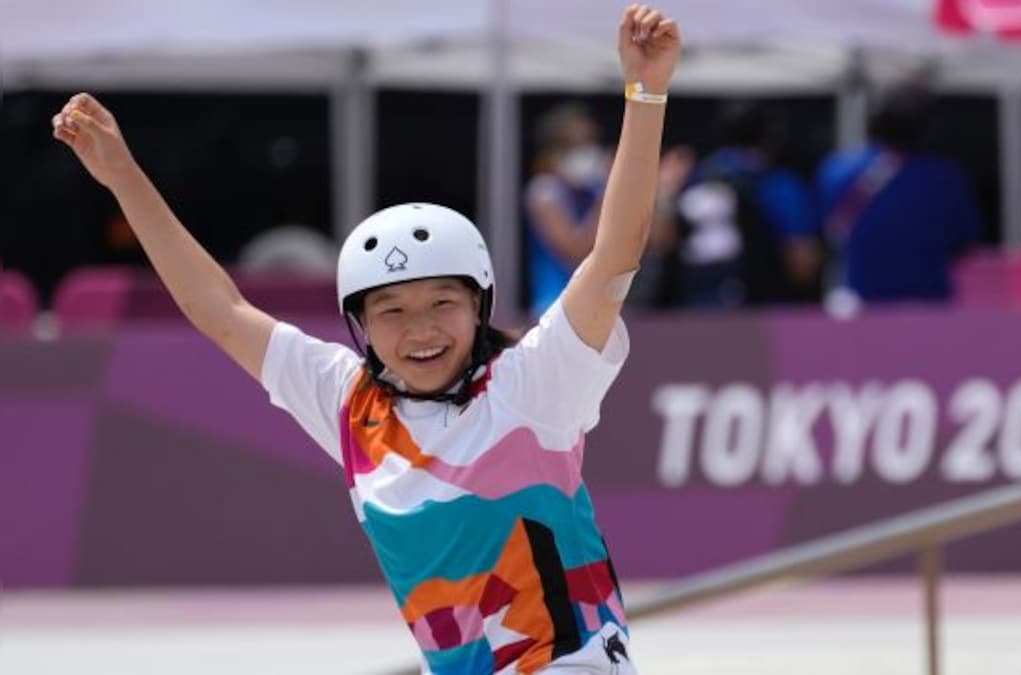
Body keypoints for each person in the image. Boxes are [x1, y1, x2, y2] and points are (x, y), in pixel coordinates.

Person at [51, 5, 680, 673]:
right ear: (362, 328)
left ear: (480, 305)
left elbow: (613, 255)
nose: (421, 329)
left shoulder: (535, 384)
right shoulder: (350, 404)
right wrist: (122, 175)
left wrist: (646, 93)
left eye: (443, 302)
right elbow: (218, 307)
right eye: (393, 311)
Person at [817, 82, 981, 305]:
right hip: (928, 311)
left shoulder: (836, 169)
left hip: (859, 312)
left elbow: (823, 239)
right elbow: (963, 244)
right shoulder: (946, 177)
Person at [669, 102, 821, 307]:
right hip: (760, 311)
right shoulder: (778, 185)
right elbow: (801, 261)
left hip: (694, 306)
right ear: (769, 136)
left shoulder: (695, 176)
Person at [524, 103, 608, 317]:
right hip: (554, 307)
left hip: (598, 306)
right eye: (574, 145)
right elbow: (574, 252)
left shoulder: (594, 189)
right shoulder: (543, 192)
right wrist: (610, 198)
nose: (586, 152)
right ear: (553, 150)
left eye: (590, 142)